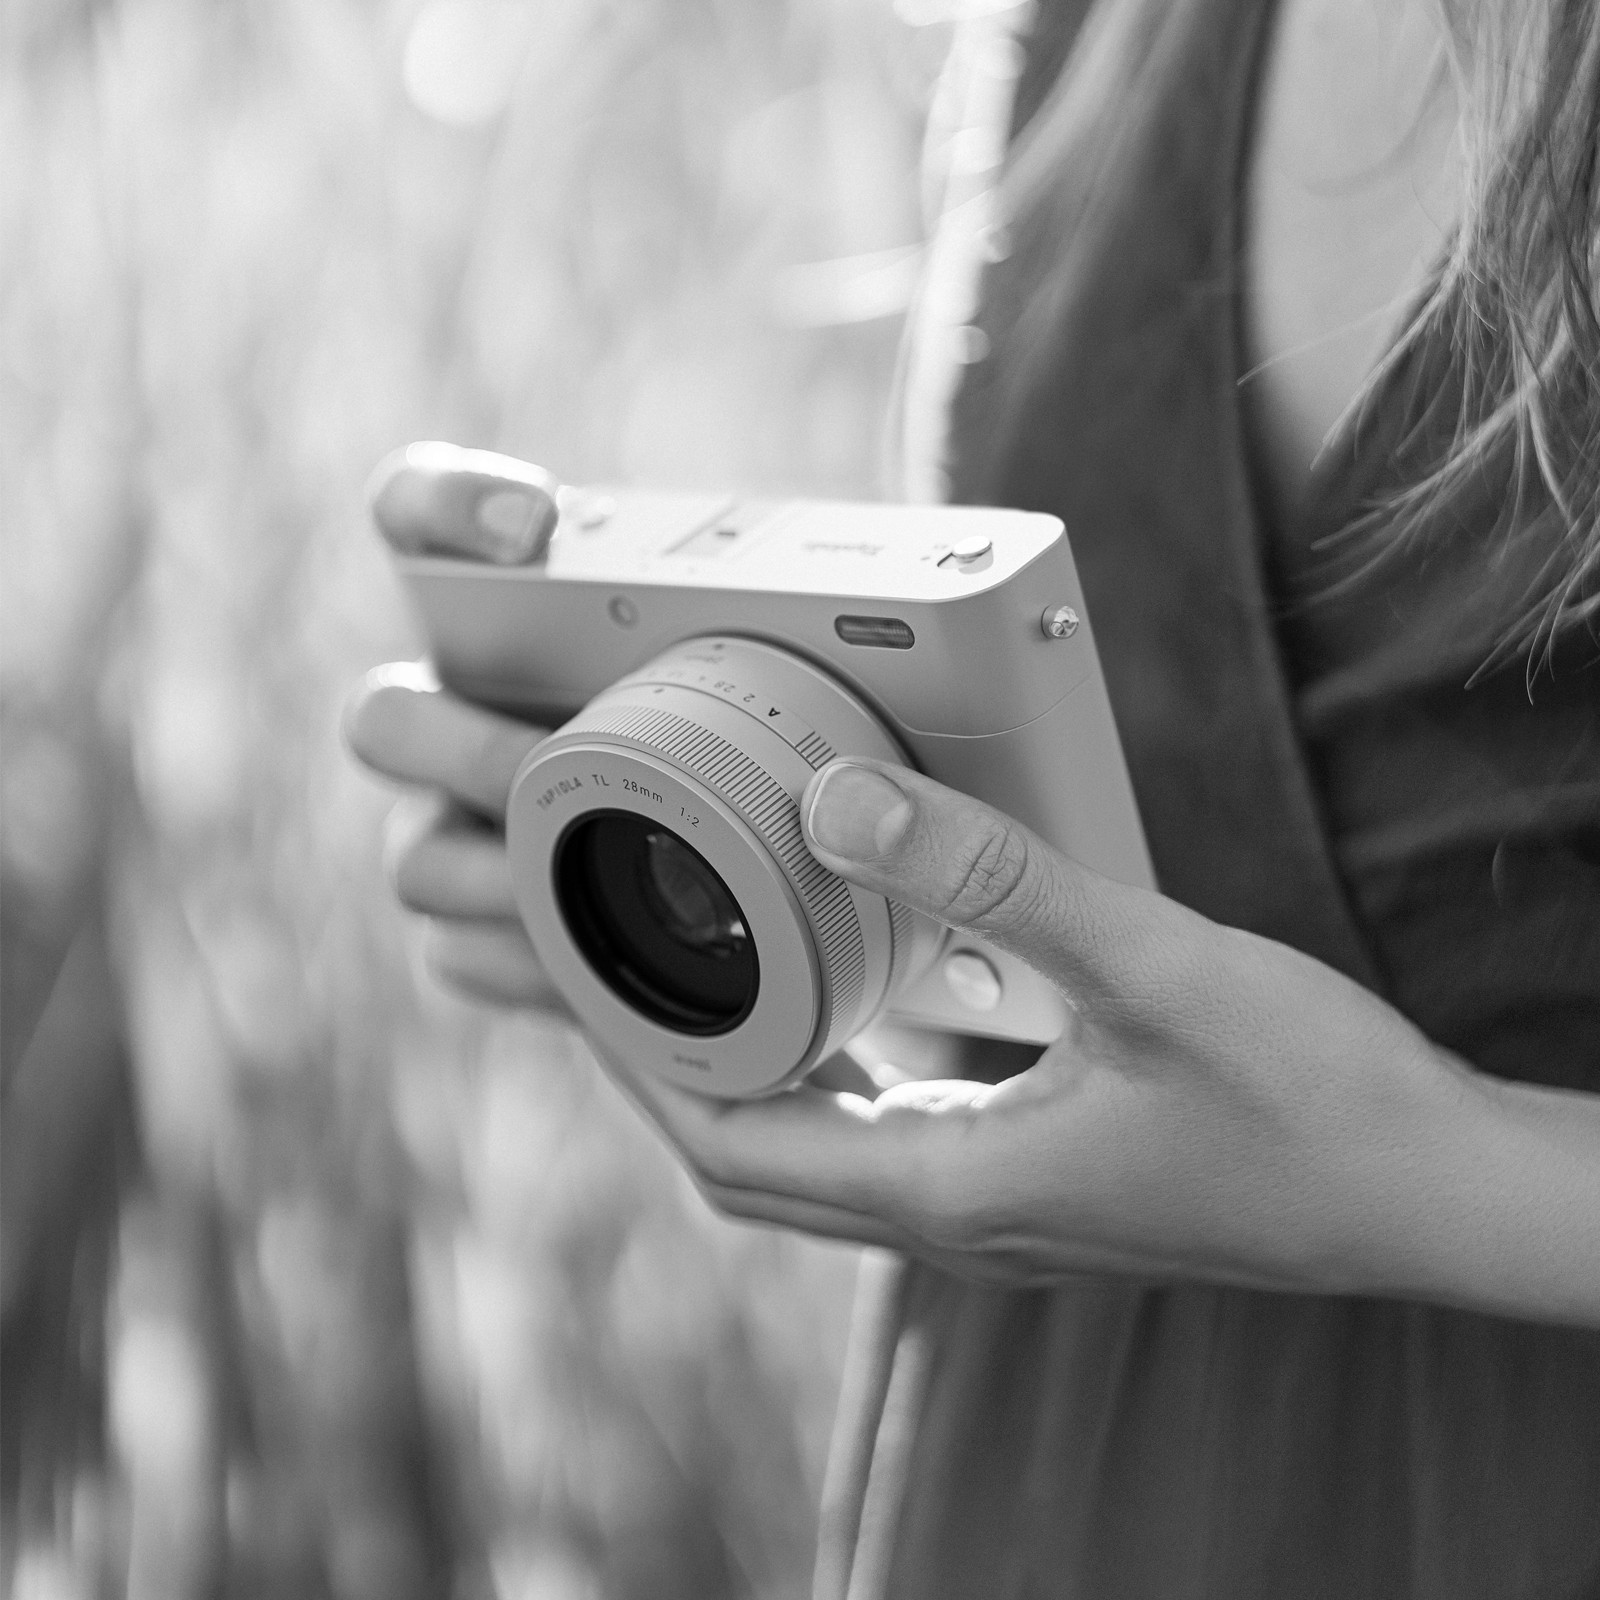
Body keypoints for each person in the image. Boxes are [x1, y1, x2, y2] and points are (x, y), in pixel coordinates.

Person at [346, 0, 1600, 1593]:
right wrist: (689, 838)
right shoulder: (1084, 29)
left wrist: (1425, 1179)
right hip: (1048, 1471)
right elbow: (1060, 797)